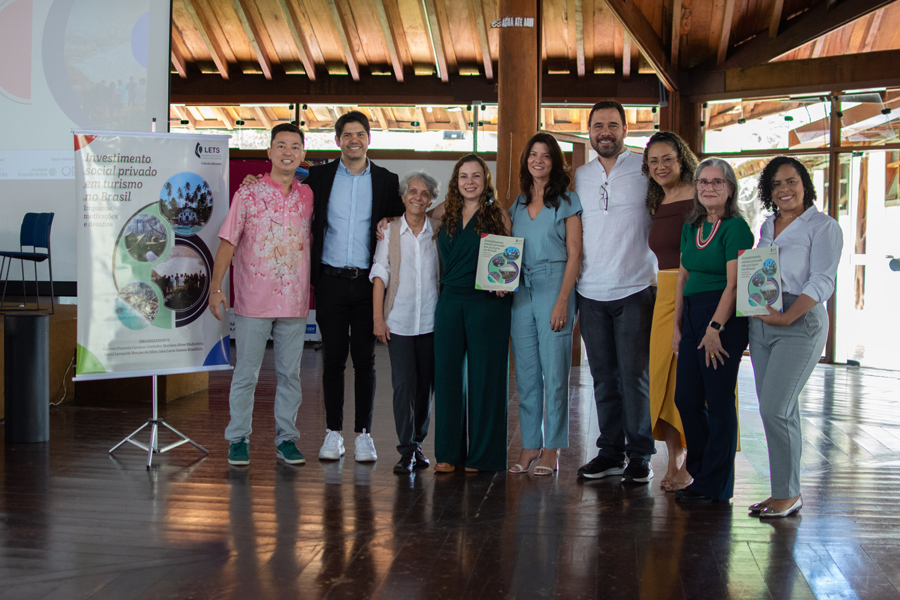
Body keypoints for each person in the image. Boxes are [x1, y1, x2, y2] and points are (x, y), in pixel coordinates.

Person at [209, 123, 314, 466]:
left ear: (302, 154)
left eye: (294, 146)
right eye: (280, 145)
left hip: (295, 303)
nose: (287, 152)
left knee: (291, 375)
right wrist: (216, 288)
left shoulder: (308, 195)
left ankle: (287, 439)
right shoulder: (248, 194)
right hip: (254, 301)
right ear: (269, 152)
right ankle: (238, 438)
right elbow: (227, 243)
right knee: (246, 374)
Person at [305, 111, 404, 462]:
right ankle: (333, 433)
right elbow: (284, 182)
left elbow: (396, 221)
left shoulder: (386, 179)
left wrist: (389, 219)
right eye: (347, 135)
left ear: (368, 139)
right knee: (332, 359)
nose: (354, 140)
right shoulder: (319, 176)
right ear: (337, 141)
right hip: (330, 281)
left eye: (360, 134)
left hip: (367, 284)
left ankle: (364, 434)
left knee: (365, 362)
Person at [747, 157, 842, 518]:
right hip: (764, 320)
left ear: (805, 184)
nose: (784, 189)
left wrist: (787, 316)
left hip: (800, 320)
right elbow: (761, 271)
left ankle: (788, 494)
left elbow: (822, 281)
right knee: (779, 410)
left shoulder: (823, 226)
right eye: (776, 184)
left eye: (791, 182)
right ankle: (784, 492)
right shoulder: (767, 225)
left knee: (775, 407)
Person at [574, 100, 657, 483]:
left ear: (625, 129)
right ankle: (610, 451)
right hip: (590, 291)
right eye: (597, 126)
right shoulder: (579, 176)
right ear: (589, 131)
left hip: (636, 288)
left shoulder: (645, 171)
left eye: (612, 124)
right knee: (603, 377)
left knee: (634, 375)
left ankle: (641, 455)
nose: (604, 132)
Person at [673, 158, 754, 504]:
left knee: (719, 400)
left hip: (723, 319)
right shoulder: (691, 226)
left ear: (730, 188)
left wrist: (714, 328)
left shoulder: (737, 227)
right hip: (692, 315)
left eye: (717, 182)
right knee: (686, 398)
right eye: (703, 182)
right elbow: (683, 276)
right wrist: (678, 326)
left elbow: (735, 285)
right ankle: (701, 471)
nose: (709, 187)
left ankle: (715, 485)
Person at [507, 133, 583, 476]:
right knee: (525, 377)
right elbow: (503, 249)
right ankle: (529, 445)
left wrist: (563, 301)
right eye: (532, 154)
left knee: (554, 375)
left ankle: (552, 449)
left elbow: (575, 254)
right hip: (521, 289)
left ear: (555, 162)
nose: (538, 160)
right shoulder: (517, 205)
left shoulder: (568, 201)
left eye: (545, 155)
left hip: (556, 285)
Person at [432, 154, 512, 472]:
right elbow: (414, 215)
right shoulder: (443, 212)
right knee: (448, 378)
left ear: (485, 180)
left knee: (486, 378)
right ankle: (449, 455)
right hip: (450, 302)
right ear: (456, 181)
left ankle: (484, 456)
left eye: (476, 176)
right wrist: (388, 222)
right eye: (464, 176)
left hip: (488, 304)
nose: (469, 182)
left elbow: (508, 260)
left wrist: (505, 282)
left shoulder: (498, 216)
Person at [370, 171, 441, 474]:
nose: (417, 197)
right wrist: (378, 319)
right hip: (397, 322)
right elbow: (380, 274)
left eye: (424, 194)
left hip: (431, 322)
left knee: (425, 388)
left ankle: (419, 443)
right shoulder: (389, 231)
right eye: (412, 192)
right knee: (403, 386)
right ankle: (406, 449)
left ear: (430, 201)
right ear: (403, 197)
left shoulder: (438, 231)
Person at [642, 132, 698, 491]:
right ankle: (674, 457)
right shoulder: (656, 200)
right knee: (663, 376)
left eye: (667, 159)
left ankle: (693, 461)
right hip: (663, 291)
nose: (661, 166)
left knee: (693, 378)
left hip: (694, 290)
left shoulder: (700, 195)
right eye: (653, 161)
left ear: (682, 159)